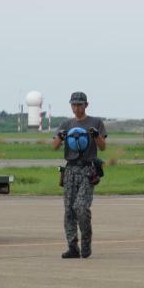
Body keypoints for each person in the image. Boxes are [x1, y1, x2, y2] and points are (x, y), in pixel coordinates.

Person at [54, 91, 106, 258]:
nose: (76, 107)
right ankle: (72, 246)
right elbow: (54, 146)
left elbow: (103, 147)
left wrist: (96, 135)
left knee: (81, 207)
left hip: (87, 170)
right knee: (69, 210)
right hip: (70, 170)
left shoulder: (95, 122)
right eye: (74, 104)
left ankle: (86, 243)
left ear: (86, 105)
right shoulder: (66, 124)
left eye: (79, 104)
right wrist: (60, 137)